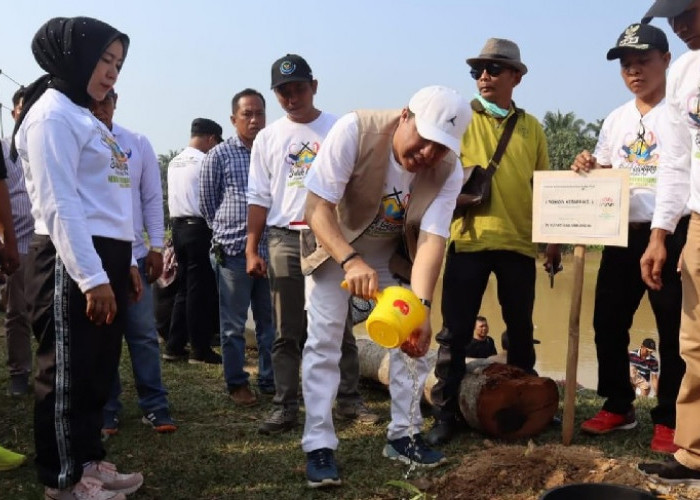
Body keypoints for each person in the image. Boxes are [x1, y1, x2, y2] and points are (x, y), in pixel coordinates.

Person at [300, 85, 471, 487]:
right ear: (405, 116)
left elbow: (432, 241)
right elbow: (316, 208)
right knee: (324, 341)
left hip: (392, 254)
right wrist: (349, 259)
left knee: (411, 339)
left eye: (441, 147)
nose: (429, 154)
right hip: (337, 246)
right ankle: (319, 444)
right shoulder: (355, 131)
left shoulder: (450, 170)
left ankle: (404, 434)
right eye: (425, 139)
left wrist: (423, 308)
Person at [13, 16, 143, 499]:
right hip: (71, 262)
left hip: (103, 254)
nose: (112, 72)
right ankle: (62, 481)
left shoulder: (84, 114)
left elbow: (106, 200)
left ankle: (88, 460)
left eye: (118, 63)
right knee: (65, 372)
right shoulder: (51, 116)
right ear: (76, 55)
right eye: (105, 60)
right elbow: (59, 203)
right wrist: (91, 277)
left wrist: (124, 263)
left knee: (95, 370)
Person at [427, 38, 560, 447]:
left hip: (520, 244)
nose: (484, 76)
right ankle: (444, 413)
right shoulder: (460, 117)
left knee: (521, 331)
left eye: (494, 68)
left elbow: (545, 188)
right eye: (478, 70)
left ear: (516, 77)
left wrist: (551, 242)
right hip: (468, 241)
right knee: (454, 333)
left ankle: (526, 406)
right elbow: (433, 167)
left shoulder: (532, 127)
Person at [247, 54, 377, 435]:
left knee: (340, 326)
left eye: (299, 88)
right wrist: (252, 247)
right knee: (286, 328)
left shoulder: (340, 128)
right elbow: (258, 196)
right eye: (283, 91)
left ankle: (350, 400)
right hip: (285, 236)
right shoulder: (268, 138)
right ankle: (285, 405)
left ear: (314, 86)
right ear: (276, 95)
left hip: (330, 238)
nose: (292, 97)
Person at [571, 23, 684, 455]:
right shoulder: (617, 119)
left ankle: (671, 418)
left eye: (643, 61)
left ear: (666, 61)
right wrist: (588, 165)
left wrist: (663, 235)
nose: (634, 71)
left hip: (671, 234)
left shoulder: (681, 113)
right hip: (620, 234)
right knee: (607, 323)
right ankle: (619, 404)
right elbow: (605, 172)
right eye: (626, 64)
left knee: (672, 329)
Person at [90, 89, 176, 436]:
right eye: (92, 104)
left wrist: (155, 246)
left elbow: (152, 198)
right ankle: (107, 408)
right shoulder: (83, 144)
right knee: (103, 335)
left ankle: (155, 406)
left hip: (135, 258)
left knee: (141, 334)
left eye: (105, 102)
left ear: (115, 101)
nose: (100, 110)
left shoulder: (136, 143)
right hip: (96, 260)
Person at [638, 0, 700, 483]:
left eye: (691, 11)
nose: (680, 25)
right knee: (694, 343)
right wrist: (661, 234)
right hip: (697, 221)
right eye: (673, 16)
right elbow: (677, 162)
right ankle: (694, 455)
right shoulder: (683, 72)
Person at [200, 88, 275, 406]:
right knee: (232, 326)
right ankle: (237, 383)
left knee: (270, 324)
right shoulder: (219, 154)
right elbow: (207, 202)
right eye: (247, 114)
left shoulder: (273, 151)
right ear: (234, 119)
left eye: (259, 113)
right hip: (232, 253)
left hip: (271, 252)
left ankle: (271, 380)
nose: (255, 120)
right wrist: (231, 232)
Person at [165, 118, 223, 365]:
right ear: (211, 139)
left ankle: (174, 345)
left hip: (178, 229)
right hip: (199, 229)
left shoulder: (175, 161)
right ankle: (199, 349)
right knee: (200, 291)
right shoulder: (206, 161)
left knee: (184, 288)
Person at [2, 86, 34, 397]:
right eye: (23, 108)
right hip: (18, 243)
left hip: (50, 244)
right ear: (14, 113)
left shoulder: (46, 146)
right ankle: (20, 373)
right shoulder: (1, 150)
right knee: (18, 312)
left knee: (53, 312)